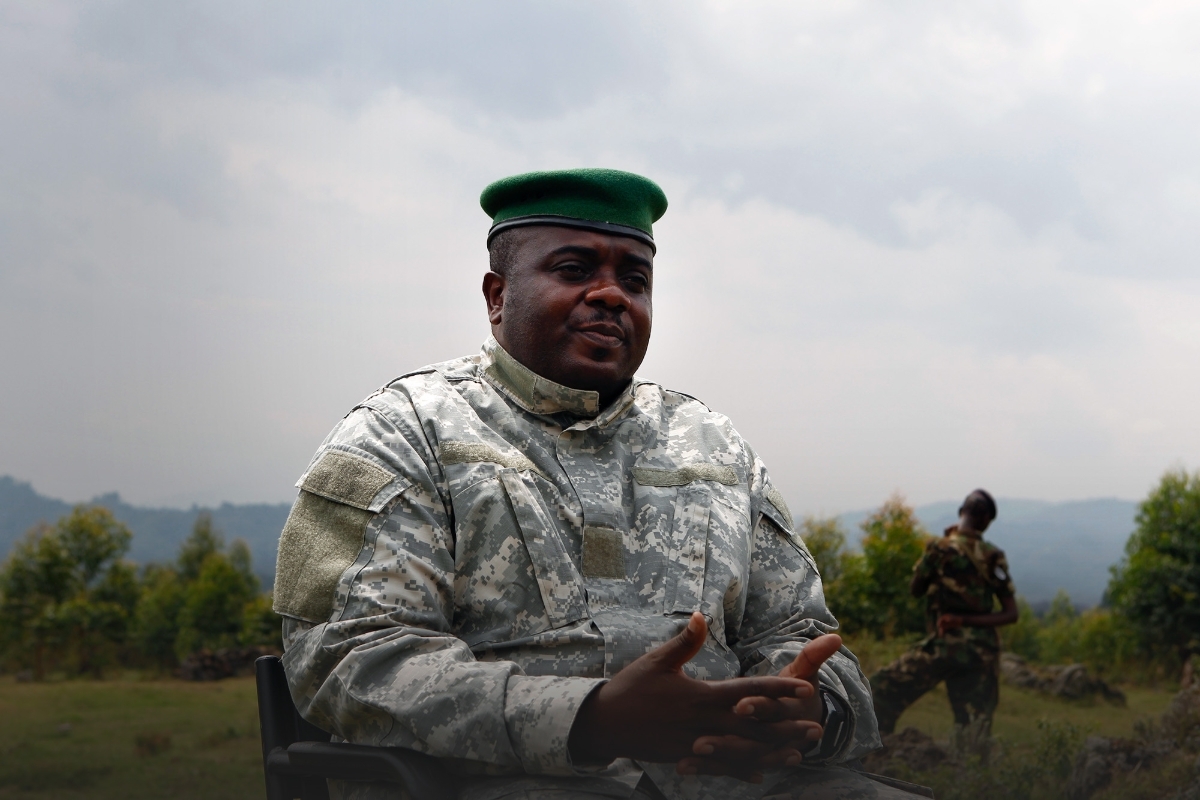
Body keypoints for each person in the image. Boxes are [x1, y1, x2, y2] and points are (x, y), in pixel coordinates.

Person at [273, 168, 929, 799]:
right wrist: (587, 718)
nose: (612, 294)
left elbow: (803, 633)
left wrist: (807, 710)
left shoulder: (715, 446)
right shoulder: (402, 434)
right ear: (497, 295)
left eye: (635, 279)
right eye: (574, 270)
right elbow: (347, 660)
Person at [869, 489, 1019, 755]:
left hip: (944, 647)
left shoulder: (938, 549)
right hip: (982, 656)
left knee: (882, 689)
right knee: (974, 732)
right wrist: (968, 619)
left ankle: (875, 756)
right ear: (984, 519)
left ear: (962, 512)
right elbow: (1010, 614)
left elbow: (915, 589)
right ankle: (971, 783)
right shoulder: (993, 554)